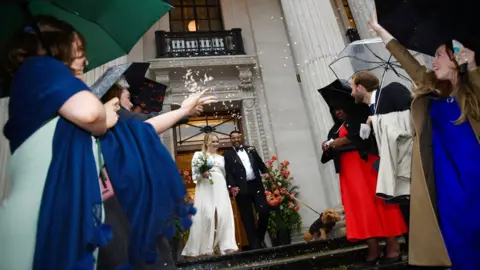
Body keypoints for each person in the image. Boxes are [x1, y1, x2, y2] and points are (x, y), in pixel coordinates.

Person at [0, 16, 118, 269]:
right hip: (41, 216)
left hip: (56, 213)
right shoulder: (40, 67)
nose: (85, 60)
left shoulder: (42, 78)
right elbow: (90, 114)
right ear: (56, 46)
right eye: (79, 50)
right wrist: (104, 116)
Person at [370, 13, 480, 269]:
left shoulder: (471, 89)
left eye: (441, 54)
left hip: (475, 176)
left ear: (456, 59)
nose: (435, 60)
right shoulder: (433, 88)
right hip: (446, 181)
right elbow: (408, 62)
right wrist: (382, 32)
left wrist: (473, 66)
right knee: (454, 238)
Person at [322, 96, 407, 266]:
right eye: (334, 110)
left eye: (340, 108)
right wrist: (327, 146)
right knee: (361, 210)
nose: (338, 112)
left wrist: (340, 142)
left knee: (379, 206)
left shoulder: (361, 118)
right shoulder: (334, 129)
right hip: (349, 175)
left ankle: (393, 246)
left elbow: (362, 138)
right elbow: (327, 156)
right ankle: (373, 248)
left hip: (365, 169)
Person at [350, 71, 413, 241]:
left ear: (361, 87)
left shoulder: (392, 91)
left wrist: (378, 120)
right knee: (407, 216)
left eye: (352, 88)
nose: (351, 94)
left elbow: (413, 116)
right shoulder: (367, 111)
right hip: (393, 171)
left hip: (411, 167)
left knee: (418, 214)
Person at [182, 133, 238, 257]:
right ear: (207, 142)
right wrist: (202, 174)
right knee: (207, 215)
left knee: (222, 215)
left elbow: (225, 174)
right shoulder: (199, 155)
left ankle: (224, 245)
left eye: (217, 141)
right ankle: (207, 247)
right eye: (213, 141)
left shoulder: (221, 158)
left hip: (220, 186)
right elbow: (194, 175)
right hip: (205, 186)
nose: (216, 144)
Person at [223, 131, 270, 250]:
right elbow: (228, 173)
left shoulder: (251, 150)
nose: (236, 139)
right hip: (241, 189)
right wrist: (232, 186)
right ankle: (255, 245)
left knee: (264, 210)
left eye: (238, 137)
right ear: (231, 140)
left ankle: (259, 237)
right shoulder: (227, 155)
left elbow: (260, 163)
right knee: (247, 217)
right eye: (233, 138)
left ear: (241, 138)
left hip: (256, 186)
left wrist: (265, 172)